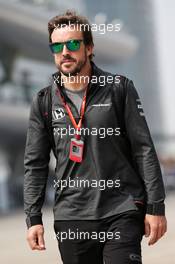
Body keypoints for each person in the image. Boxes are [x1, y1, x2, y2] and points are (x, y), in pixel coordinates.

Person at [24, 11, 167, 264]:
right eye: (57, 45)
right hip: (72, 217)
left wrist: (156, 206)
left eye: (73, 44)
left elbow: (143, 149)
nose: (65, 51)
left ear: (89, 48)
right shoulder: (44, 101)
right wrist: (33, 218)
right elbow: (35, 164)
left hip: (121, 209)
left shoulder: (119, 89)